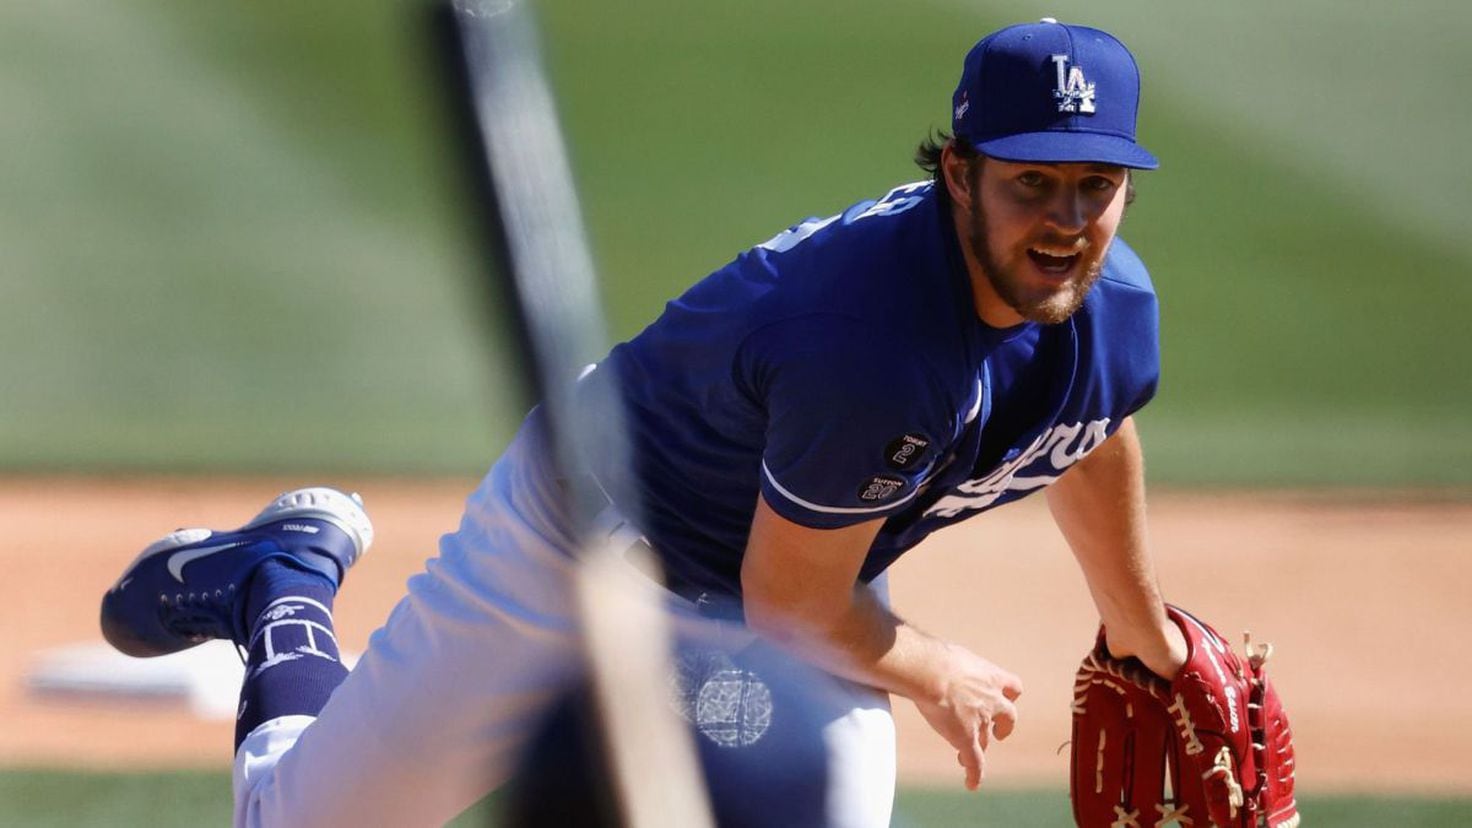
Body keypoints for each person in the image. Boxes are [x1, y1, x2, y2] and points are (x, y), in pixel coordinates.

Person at [101, 18, 1187, 827]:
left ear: (1128, 193)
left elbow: (1080, 433)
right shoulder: (874, 347)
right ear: (957, 175)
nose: (1064, 222)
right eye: (1030, 183)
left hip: (774, 579)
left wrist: (1145, 637)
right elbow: (794, 602)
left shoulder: (1115, 306)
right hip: (580, 545)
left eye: (1093, 187)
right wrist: (933, 667)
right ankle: (280, 584)